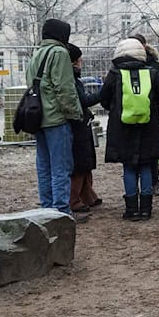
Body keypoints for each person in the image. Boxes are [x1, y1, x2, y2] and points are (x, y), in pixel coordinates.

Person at [100, 38, 159, 221]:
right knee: (146, 165)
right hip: (148, 126)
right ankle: (146, 209)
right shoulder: (152, 72)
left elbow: (104, 98)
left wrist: (117, 109)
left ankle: (131, 209)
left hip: (122, 127)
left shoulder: (114, 73)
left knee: (129, 166)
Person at [27, 19, 83, 217]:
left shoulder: (37, 53)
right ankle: (61, 212)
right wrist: (75, 114)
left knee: (44, 166)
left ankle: (47, 211)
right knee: (61, 167)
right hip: (56, 119)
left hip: (38, 117)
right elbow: (64, 88)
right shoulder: (59, 53)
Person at [130, 34, 159, 197]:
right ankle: (145, 187)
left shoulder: (153, 65)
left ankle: (152, 184)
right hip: (140, 115)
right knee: (142, 154)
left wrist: (154, 104)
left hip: (142, 115)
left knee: (148, 154)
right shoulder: (152, 66)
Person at [68, 44, 102, 214]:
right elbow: (83, 101)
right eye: (79, 60)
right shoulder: (72, 80)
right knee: (81, 162)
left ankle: (87, 194)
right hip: (78, 125)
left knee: (85, 161)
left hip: (81, 123)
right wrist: (102, 94)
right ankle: (75, 198)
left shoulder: (73, 79)